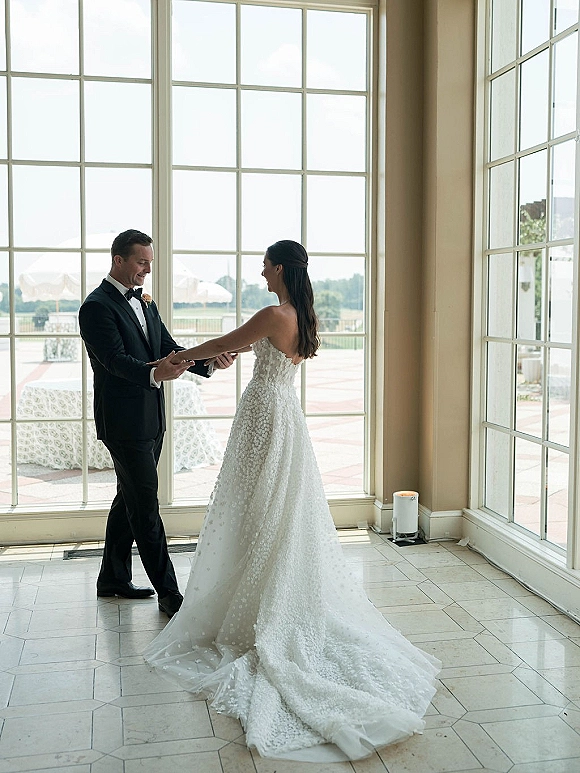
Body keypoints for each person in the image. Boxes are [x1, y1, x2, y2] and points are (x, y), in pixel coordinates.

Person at [144, 240, 440, 761]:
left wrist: (178, 358)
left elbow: (222, 340)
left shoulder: (272, 313)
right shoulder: (302, 316)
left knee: (257, 510)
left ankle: (260, 606)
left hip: (263, 415)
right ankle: (265, 590)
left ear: (279, 268)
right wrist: (218, 354)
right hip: (285, 417)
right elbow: (238, 347)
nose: (260, 270)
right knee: (277, 513)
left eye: (264, 263)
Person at [79, 229, 234, 618]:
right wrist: (155, 375)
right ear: (119, 260)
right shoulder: (96, 307)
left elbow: (166, 347)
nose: (148, 269)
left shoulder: (146, 302)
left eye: (149, 262)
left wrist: (208, 362)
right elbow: (114, 361)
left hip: (151, 419)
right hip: (122, 423)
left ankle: (112, 578)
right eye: (141, 262)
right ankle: (169, 593)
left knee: (128, 497)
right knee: (145, 504)